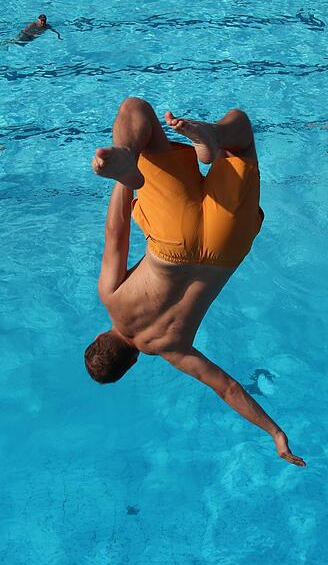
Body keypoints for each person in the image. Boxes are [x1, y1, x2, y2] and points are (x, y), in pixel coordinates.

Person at [86, 96, 305, 467]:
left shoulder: (174, 350)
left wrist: (275, 433)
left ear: (134, 360)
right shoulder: (111, 299)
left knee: (242, 138)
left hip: (225, 246)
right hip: (170, 243)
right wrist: (126, 179)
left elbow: (227, 388)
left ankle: (218, 139)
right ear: (97, 338)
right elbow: (115, 234)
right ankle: (161, 145)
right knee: (135, 111)